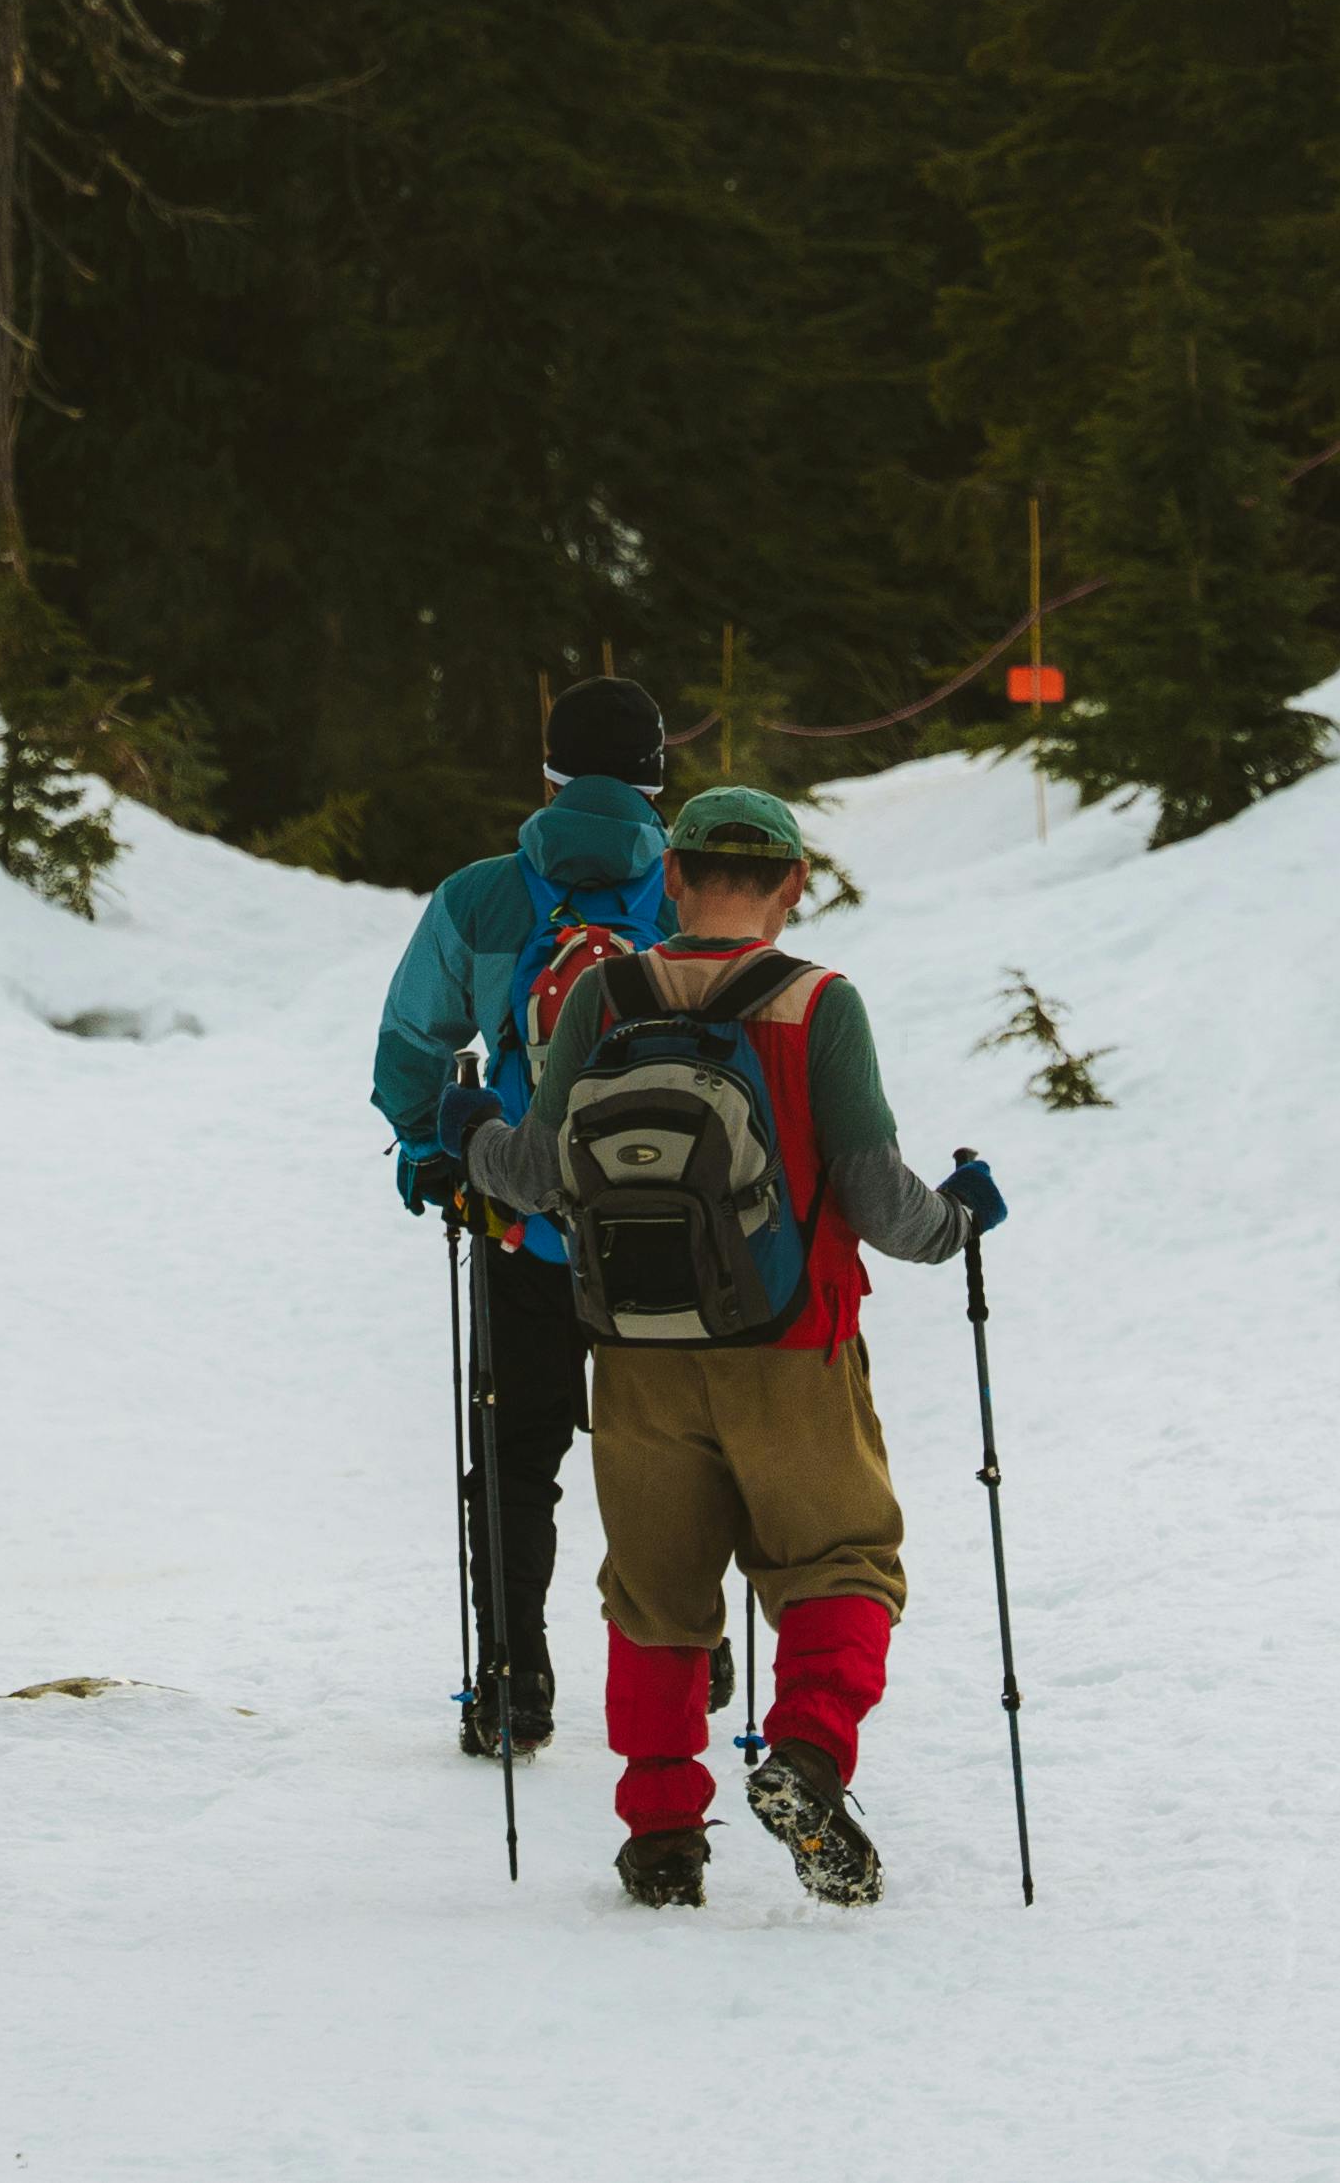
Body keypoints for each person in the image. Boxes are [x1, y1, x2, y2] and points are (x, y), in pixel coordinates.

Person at [445, 783, 1006, 1910]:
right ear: (791, 887)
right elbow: (882, 1204)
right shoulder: (817, 1005)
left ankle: (660, 1838)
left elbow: (540, 1172)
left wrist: (473, 1135)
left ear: (680, 881)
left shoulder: (605, 995)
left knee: (654, 1596)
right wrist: (962, 1217)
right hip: (796, 1350)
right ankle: (802, 1754)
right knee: (842, 1560)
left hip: (638, 1360)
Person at [369, 673, 675, 1757]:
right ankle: (684, 1644)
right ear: (656, 781)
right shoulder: (695, 891)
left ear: (548, 774)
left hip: (520, 1212)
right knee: (675, 1444)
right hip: (677, 1233)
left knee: (515, 1449)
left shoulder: (483, 897)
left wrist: (430, 1148)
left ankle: (512, 1682)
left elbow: (412, 1043)